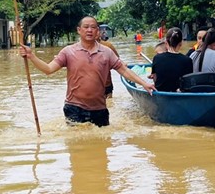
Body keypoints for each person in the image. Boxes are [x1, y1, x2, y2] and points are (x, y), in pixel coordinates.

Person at [20, 16, 155, 126]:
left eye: (93, 27)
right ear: (79, 30)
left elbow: (124, 71)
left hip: (100, 109)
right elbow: (48, 69)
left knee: (102, 150)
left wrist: (144, 83)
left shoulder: (106, 52)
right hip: (74, 108)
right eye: (86, 27)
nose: (89, 30)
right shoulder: (68, 52)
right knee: (78, 149)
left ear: (98, 31)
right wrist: (32, 56)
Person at [151, 27, 193, 92]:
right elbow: (188, 82)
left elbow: (155, 78)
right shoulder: (188, 60)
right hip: (179, 94)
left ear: (166, 43)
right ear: (181, 43)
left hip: (161, 93)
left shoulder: (157, 58)